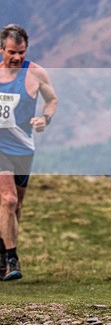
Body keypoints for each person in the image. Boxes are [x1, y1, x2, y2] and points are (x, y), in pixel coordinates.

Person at [0, 24, 58, 281]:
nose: (17, 57)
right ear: (2, 50)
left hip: (23, 148)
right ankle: (11, 260)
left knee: (16, 206)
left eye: (21, 52)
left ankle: (4, 253)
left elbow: (52, 100)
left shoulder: (35, 74)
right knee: (9, 199)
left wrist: (45, 118)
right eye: (12, 52)